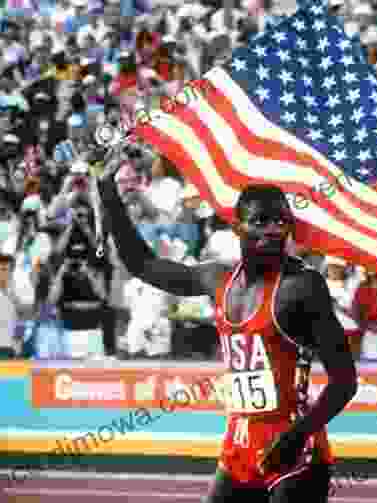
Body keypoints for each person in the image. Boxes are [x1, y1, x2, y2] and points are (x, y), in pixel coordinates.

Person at [100, 167, 358, 502]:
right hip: (238, 445)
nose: (273, 230)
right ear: (237, 227)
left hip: (294, 448)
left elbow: (345, 381)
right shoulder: (217, 280)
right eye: (261, 221)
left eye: (281, 222)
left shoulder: (302, 286)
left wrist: (296, 436)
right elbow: (141, 264)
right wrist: (107, 189)